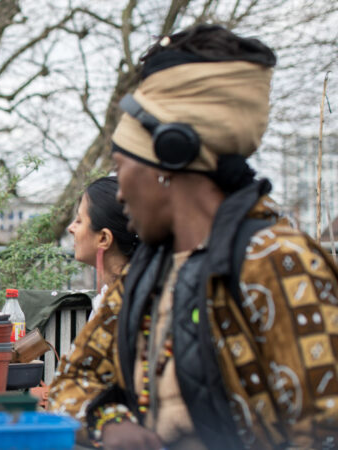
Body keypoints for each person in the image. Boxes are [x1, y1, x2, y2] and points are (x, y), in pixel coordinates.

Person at [49, 24, 338, 449]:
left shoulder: (279, 262)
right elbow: (71, 383)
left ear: (168, 158)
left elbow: (323, 430)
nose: (121, 191)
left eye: (122, 165)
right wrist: (108, 421)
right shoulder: (146, 272)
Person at [68, 176, 139, 314]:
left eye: (79, 221)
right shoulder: (112, 293)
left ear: (104, 238)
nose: (71, 228)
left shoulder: (127, 303)